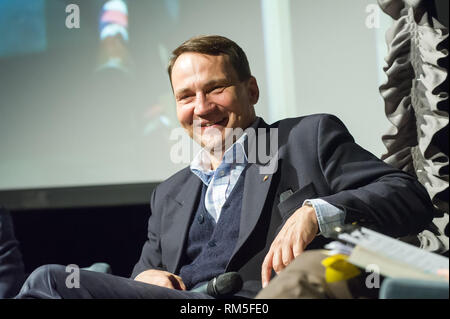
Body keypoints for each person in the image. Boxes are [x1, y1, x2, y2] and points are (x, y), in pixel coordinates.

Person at [13, 35, 434, 299]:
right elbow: (144, 269)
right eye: (186, 97)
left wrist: (316, 212)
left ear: (250, 89)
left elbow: (409, 196)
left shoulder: (306, 138)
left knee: (49, 280)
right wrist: (148, 279)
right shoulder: (170, 193)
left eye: (216, 89)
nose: (202, 108)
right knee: (53, 281)